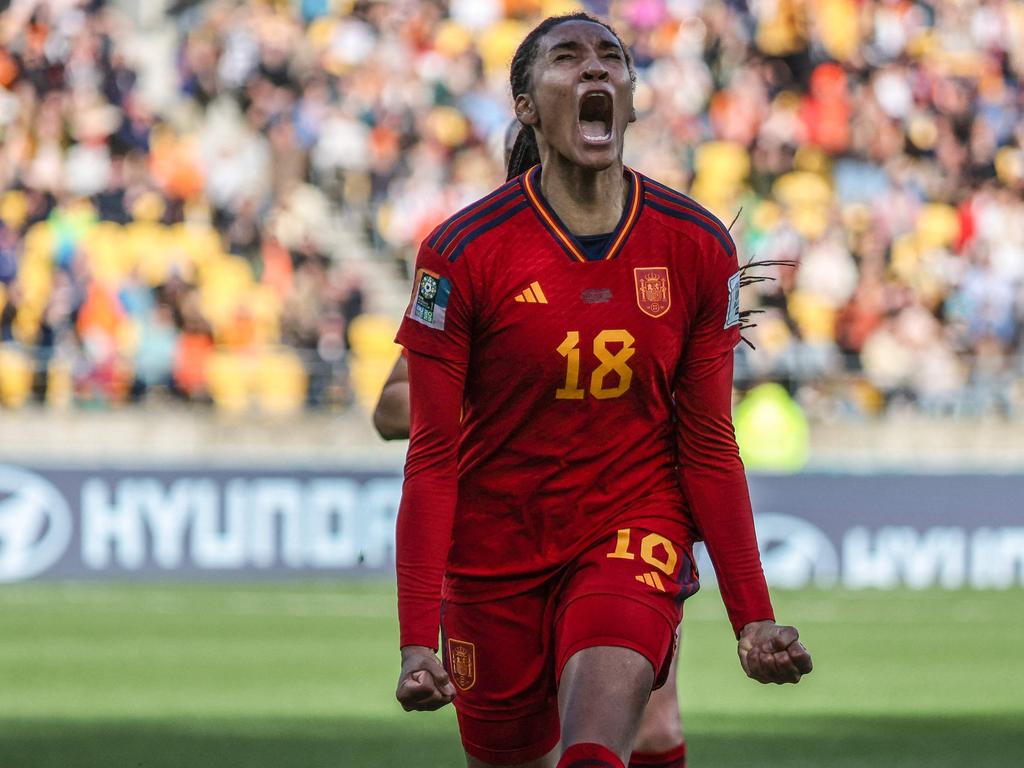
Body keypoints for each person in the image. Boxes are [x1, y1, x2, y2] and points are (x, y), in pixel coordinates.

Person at [392, 13, 812, 768]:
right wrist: (417, 639)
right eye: (566, 57)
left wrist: (753, 618)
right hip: (496, 550)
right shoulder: (462, 252)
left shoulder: (697, 245)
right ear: (526, 105)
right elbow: (431, 454)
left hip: (630, 524)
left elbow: (711, 446)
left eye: (610, 58)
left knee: (601, 746)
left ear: (629, 93)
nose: (594, 69)